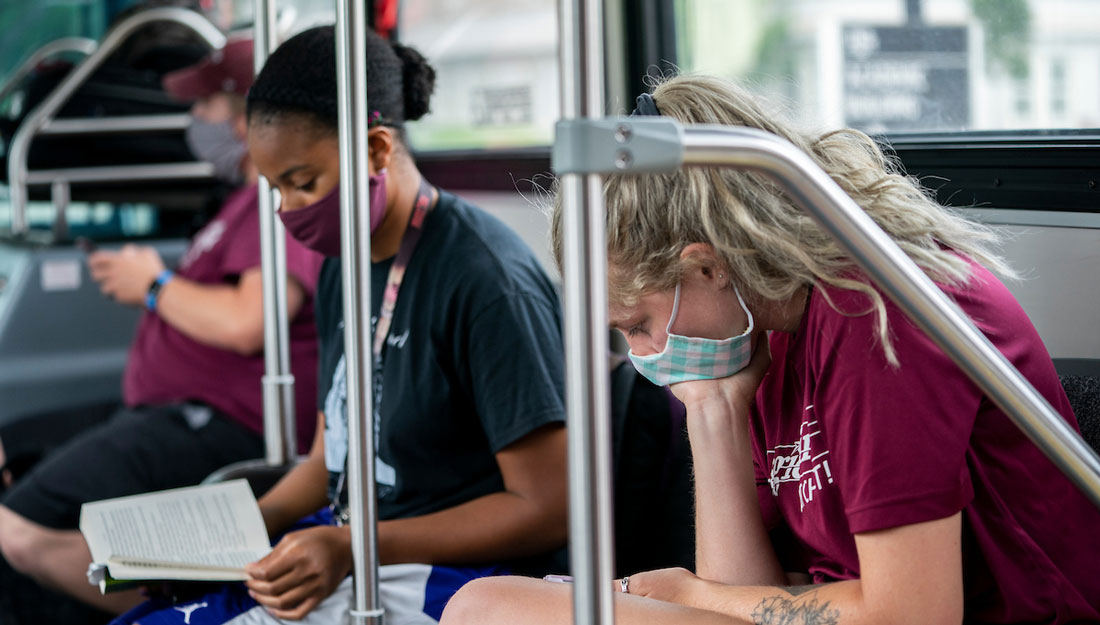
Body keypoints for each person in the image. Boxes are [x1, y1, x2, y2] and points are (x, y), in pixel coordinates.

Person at [440, 75, 1100, 625]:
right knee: (486, 605)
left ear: (707, 266)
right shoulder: (761, 331)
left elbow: (911, 613)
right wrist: (713, 409)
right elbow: (742, 592)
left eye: (637, 322)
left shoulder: (881, 316)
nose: (641, 351)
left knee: (487, 605)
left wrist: (692, 595)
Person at [108, 25, 568, 625]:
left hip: (454, 574)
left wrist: (356, 548)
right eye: (275, 190)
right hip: (354, 539)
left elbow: (546, 505)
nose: (288, 214)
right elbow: (331, 459)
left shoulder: (485, 280)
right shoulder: (343, 268)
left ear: (376, 150)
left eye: (304, 184)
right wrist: (238, 530)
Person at [0, 37, 324, 617]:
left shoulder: (273, 205)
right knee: (16, 445)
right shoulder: (234, 207)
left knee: (19, 524)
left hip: (223, 417)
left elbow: (249, 322)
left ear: (251, 113)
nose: (195, 121)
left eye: (207, 107)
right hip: (166, 408)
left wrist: (154, 286)